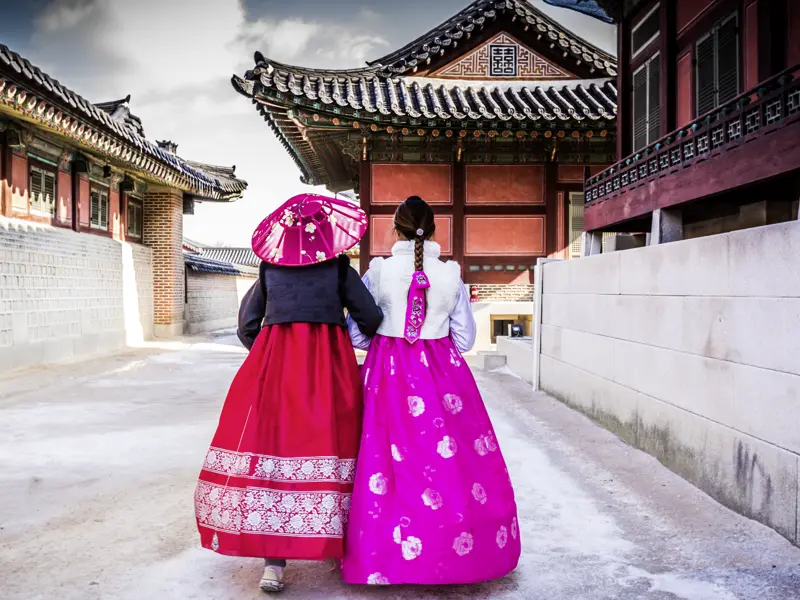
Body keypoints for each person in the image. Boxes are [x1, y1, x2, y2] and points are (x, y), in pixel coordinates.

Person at [194, 194, 382, 594]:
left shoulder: (268, 268)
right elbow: (372, 317)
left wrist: (268, 354)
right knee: (334, 447)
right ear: (329, 235)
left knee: (275, 453)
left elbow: (247, 326)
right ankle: (337, 549)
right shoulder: (339, 270)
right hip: (329, 369)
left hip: (276, 367)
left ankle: (274, 566)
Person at [341, 196, 521, 586]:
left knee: (385, 459)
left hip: (388, 371)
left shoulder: (379, 271)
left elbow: (358, 330)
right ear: (435, 229)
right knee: (449, 460)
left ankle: (387, 556)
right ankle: (456, 551)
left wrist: (382, 341)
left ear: (395, 228)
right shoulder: (451, 274)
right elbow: (466, 337)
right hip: (441, 373)